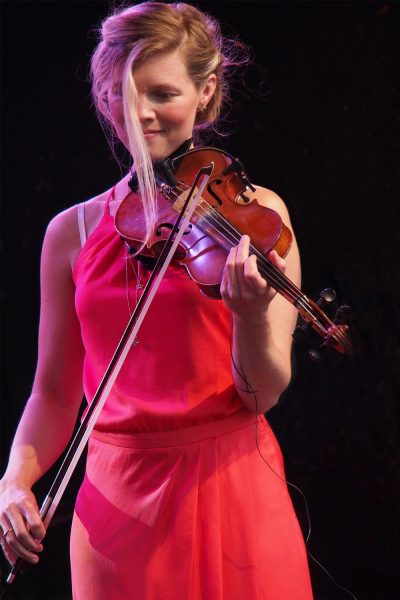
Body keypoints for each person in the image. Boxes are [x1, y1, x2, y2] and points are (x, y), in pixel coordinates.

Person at [0, 2, 313, 598]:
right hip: (117, 511)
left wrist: (249, 320)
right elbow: (54, 392)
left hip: (234, 488)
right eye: (122, 94)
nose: (140, 113)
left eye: (162, 93)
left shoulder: (258, 216)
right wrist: (14, 480)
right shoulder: (70, 233)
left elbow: (263, 393)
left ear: (206, 93)